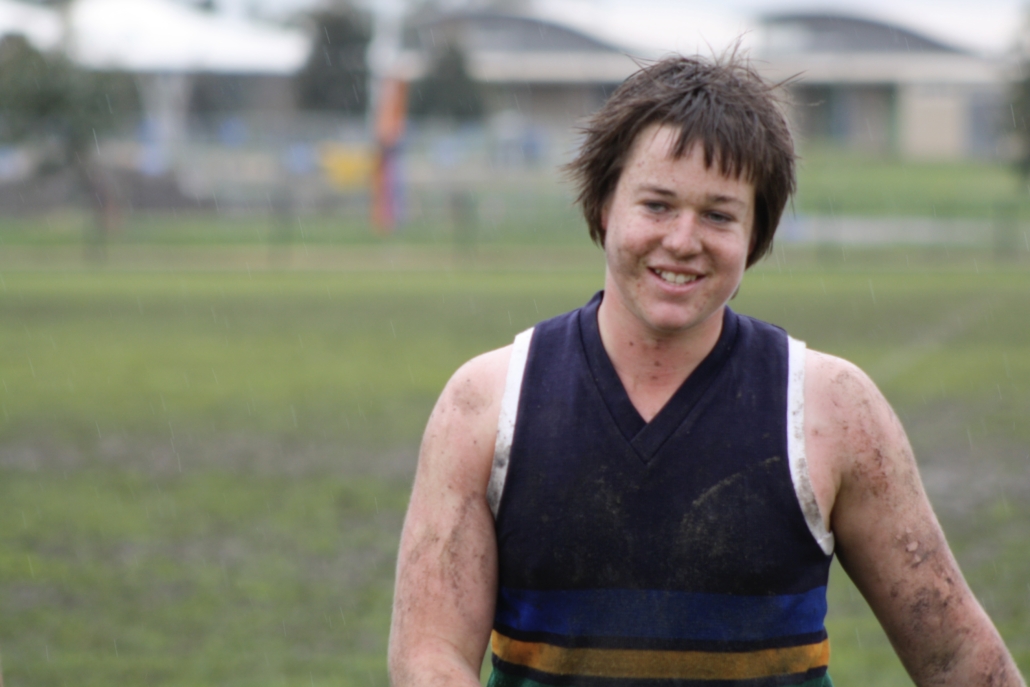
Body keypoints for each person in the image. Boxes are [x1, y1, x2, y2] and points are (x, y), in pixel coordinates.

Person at [388, 55, 1025, 687]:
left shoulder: (836, 408)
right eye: (657, 205)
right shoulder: (485, 403)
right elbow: (429, 654)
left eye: (719, 215)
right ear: (605, 205)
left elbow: (959, 660)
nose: (683, 240)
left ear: (756, 234)